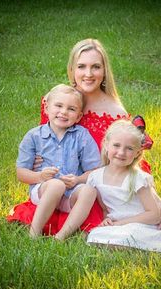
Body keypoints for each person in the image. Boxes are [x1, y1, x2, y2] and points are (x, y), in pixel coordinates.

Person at [8, 38, 161, 234]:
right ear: (72, 70)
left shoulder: (114, 111)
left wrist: (155, 199)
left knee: (90, 197)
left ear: (104, 72)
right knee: (52, 191)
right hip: (52, 186)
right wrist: (36, 164)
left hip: (91, 187)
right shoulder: (59, 100)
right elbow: (44, 141)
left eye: (95, 67)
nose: (88, 74)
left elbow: (129, 157)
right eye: (81, 66)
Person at [86, 120, 161, 258]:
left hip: (144, 225)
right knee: (94, 236)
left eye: (129, 148)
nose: (121, 152)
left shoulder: (138, 178)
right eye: (116, 145)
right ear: (106, 144)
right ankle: (148, 251)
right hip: (119, 227)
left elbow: (154, 215)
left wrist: (119, 224)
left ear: (137, 152)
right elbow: (106, 209)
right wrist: (107, 221)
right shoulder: (95, 177)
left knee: (130, 234)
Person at [16, 84, 101, 239]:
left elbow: (95, 171)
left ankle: (61, 237)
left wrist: (78, 179)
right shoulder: (34, 136)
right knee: (56, 184)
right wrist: (40, 177)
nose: (63, 112)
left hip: (69, 194)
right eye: (59, 106)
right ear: (47, 108)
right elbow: (21, 173)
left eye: (71, 109)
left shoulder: (82, 136)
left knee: (89, 191)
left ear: (79, 116)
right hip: (43, 190)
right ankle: (33, 235)